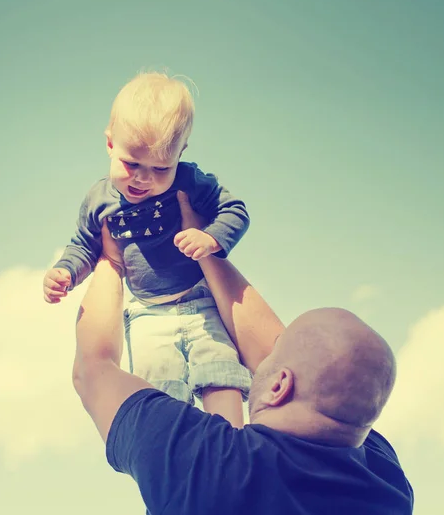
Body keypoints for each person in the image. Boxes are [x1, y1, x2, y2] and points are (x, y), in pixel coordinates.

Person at [71, 192, 414, 515]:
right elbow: (302, 365)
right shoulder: (386, 484)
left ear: (280, 385)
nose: (268, 348)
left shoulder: (206, 463)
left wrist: (109, 261)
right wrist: (202, 249)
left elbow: (93, 369)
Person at [44, 71, 251, 426]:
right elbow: (83, 245)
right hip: (145, 312)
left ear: (180, 154)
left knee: (220, 366)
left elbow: (235, 210)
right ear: (110, 144)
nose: (144, 178)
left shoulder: (190, 181)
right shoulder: (99, 200)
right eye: (132, 164)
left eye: (160, 168)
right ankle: (179, 447)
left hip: (200, 300)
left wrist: (212, 237)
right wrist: (65, 271)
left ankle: (230, 436)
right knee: (160, 384)